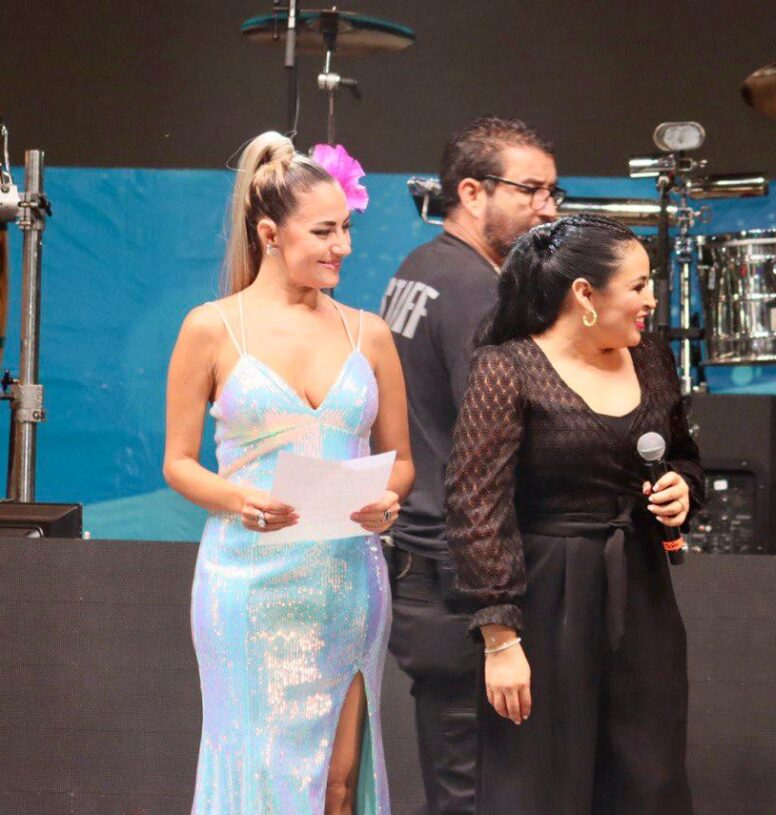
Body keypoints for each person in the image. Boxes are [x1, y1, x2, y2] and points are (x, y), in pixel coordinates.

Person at [163, 131, 414, 814]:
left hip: (346, 581)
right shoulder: (212, 328)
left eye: (347, 228)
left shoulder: (369, 333)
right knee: (257, 781)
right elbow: (179, 462)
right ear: (270, 233)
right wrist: (239, 498)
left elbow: (401, 461)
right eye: (325, 231)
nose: (344, 246)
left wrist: (387, 500)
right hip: (246, 584)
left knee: (338, 783)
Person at [445, 214, 702, 814]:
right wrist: (500, 639)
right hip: (544, 601)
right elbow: (475, 503)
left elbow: (685, 454)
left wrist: (682, 488)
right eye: (638, 286)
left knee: (648, 778)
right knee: (542, 783)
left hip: (641, 592)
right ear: (586, 294)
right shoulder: (507, 368)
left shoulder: (652, 358)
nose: (651, 300)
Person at [378, 117, 559, 814]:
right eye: (530, 190)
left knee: (461, 782)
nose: (548, 208)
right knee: (481, 790)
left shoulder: (418, 268)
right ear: (472, 192)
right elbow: (495, 444)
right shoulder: (480, 292)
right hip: (463, 579)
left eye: (553, 190)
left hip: (425, 564)